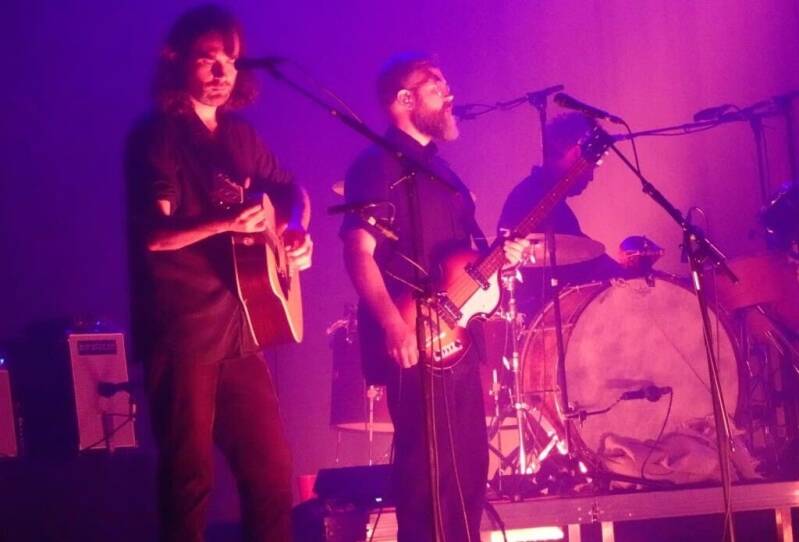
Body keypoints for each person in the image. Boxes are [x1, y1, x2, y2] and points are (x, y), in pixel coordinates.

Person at [125, 5, 312, 541]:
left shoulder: (241, 137)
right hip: (183, 331)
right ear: (176, 60)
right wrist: (228, 219)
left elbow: (290, 189)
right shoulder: (156, 137)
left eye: (230, 63)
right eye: (209, 61)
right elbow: (155, 236)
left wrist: (295, 230)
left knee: (273, 474)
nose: (221, 74)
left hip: (242, 327)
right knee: (190, 480)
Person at [340, 52, 527, 542]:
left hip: (458, 341)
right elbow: (359, 252)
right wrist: (393, 325)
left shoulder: (446, 175)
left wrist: (503, 256)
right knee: (427, 480)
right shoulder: (377, 166)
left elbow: (466, 261)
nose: (450, 93)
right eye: (435, 84)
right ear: (403, 100)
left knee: (467, 475)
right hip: (414, 341)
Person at [497, 113, 621, 310]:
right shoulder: (533, 199)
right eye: (594, 165)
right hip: (541, 321)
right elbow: (585, 261)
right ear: (576, 154)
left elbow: (580, 248)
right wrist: (627, 274)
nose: (591, 177)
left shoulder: (542, 198)